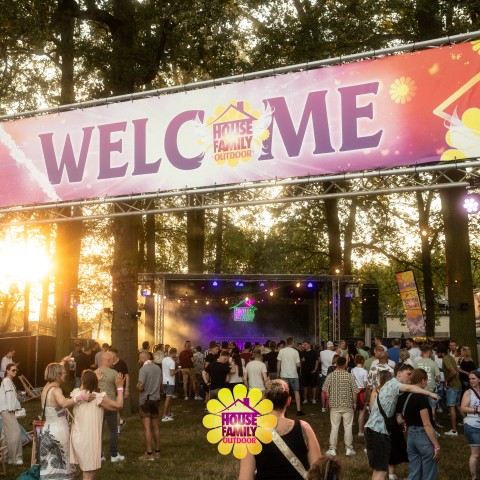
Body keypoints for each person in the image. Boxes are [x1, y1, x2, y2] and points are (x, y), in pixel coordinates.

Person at [364, 362, 437, 480]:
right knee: (381, 471)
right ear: (399, 373)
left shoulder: (390, 385)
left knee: (379, 469)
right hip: (379, 432)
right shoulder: (394, 384)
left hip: (372, 429)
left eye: (411, 375)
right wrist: (430, 393)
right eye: (408, 374)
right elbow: (409, 388)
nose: (410, 377)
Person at [238, 379, 321, 479]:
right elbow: (318, 472)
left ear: (264, 400)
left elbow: (245, 477)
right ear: (288, 401)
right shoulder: (304, 428)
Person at [40, 362, 95, 480]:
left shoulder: (46, 388)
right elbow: (64, 403)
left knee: (49, 464)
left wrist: (63, 361)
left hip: (47, 430)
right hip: (59, 431)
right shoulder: (56, 390)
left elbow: (52, 368)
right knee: (62, 462)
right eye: (63, 373)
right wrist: (81, 397)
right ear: (58, 375)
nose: (65, 375)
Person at [70, 369, 125, 479]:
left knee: (92, 469)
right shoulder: (97, 397)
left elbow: (88, 390)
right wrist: (119, 387)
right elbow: (118, 405)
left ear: (82, 380)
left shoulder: (76, 393)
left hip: (77, 436)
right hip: (89, 439)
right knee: (89, 472)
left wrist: (95, 381)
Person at [396, 368, 440, 480]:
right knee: (429, 473)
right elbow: (427, 424)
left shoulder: (402, 397)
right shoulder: (421, 398)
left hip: (411, 435)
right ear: (422, 380)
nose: (427, 383)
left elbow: (400, 419)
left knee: (414, 472)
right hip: (423, 435)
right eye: (426, 380)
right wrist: (436, 445)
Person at [322, 356, 358, 457]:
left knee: (334, 427)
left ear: (336, 364)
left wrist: (329, 400)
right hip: (347, 404)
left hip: (334, 405)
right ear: (345, 364)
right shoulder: (349, 376)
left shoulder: (330, 375)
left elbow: (325, 391)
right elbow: (355, 392)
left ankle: (332, 449)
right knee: (348, 427)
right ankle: (349, 448)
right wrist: (354, 403)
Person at [97, 351, 124, 462]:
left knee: (98, 431)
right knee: (113, 430)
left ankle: (99, 455)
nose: (113, 362)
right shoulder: (114, 373)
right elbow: (119, 386)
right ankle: (114, 455)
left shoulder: (94, 373)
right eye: (112, 360)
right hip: (111, 404)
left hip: (98, 405)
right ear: (108, 361)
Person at [137, 350, 162, 460]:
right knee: (156, 426)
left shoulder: (143, 369)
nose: (139, 360)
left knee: (147, 427)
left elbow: (140, 386)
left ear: (143, 358)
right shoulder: (158, 368)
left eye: (139, 358)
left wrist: (138, 386)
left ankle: (149, 453)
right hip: (156, 399)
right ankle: (157, 452)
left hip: (146, 400)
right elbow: (160, 383)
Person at [436, 343, 462, 436]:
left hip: (453, 386)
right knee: (458, 405)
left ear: (442, 353)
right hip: (458, 385)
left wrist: (446, 381)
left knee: (451, 407)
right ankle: (468, 422)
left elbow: (453, 371)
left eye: (437, 352)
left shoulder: (446, 359)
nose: (436, 354)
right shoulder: (450, 357)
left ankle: (454, 430)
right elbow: (452, 369)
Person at [413, 344, 441, 427]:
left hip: (419, 389)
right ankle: (432, 424)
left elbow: (413, 376)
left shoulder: (417, 363)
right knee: (432, 408)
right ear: (429, 352)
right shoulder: (433, 363)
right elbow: (438, 377)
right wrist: (435, 380)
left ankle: (420, 423)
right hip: (431, 389)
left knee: (419, 407)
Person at [0, 363, 23, 464]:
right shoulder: (7, 381)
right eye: (13, 370)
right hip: (8, 409)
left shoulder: (8, 381)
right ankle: (16, 458)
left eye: (16, 370)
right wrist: (12, 409)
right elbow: (9, 396)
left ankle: (6, 457)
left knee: (6, 433)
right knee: (16, 432)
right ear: (7, 370)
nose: (15, 372)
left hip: (5, 409)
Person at [277, 336, 305, 416]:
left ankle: (284, 411)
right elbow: (298, 365)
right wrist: (300, 363)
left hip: (284, 374)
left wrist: (278, 373)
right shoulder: (295, 352)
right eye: (294, 342)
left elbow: (278, 363)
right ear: (292, 342)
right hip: (293, 375)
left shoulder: (281, 351)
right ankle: (298, 410)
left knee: (285, 393)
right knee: (296, 391)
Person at [461, 370, 480, 480]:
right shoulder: (468, 392)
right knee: (476, 453)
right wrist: (477, 410)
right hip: (472, 425)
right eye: (470, 379)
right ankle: (474, 477)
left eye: (473, 378)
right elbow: (463, 408)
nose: (471, 381)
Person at [351, 354, 368, 436]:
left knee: (352, 409)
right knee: (362, 412)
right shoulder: (365, 371)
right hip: (361, 392)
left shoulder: (352, 370)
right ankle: (360, 431)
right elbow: (365, 384)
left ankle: (351, 425)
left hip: (353, 391)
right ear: (363, 361)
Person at [161, 347, 180, 421]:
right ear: (174, 353)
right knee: (168, 399)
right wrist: (177, 371)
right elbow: (172, 373)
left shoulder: (164, 359)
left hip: (164, 381)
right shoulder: (172, 362)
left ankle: (169, 413)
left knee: (168, 398)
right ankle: (164, 415)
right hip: (170, 381)